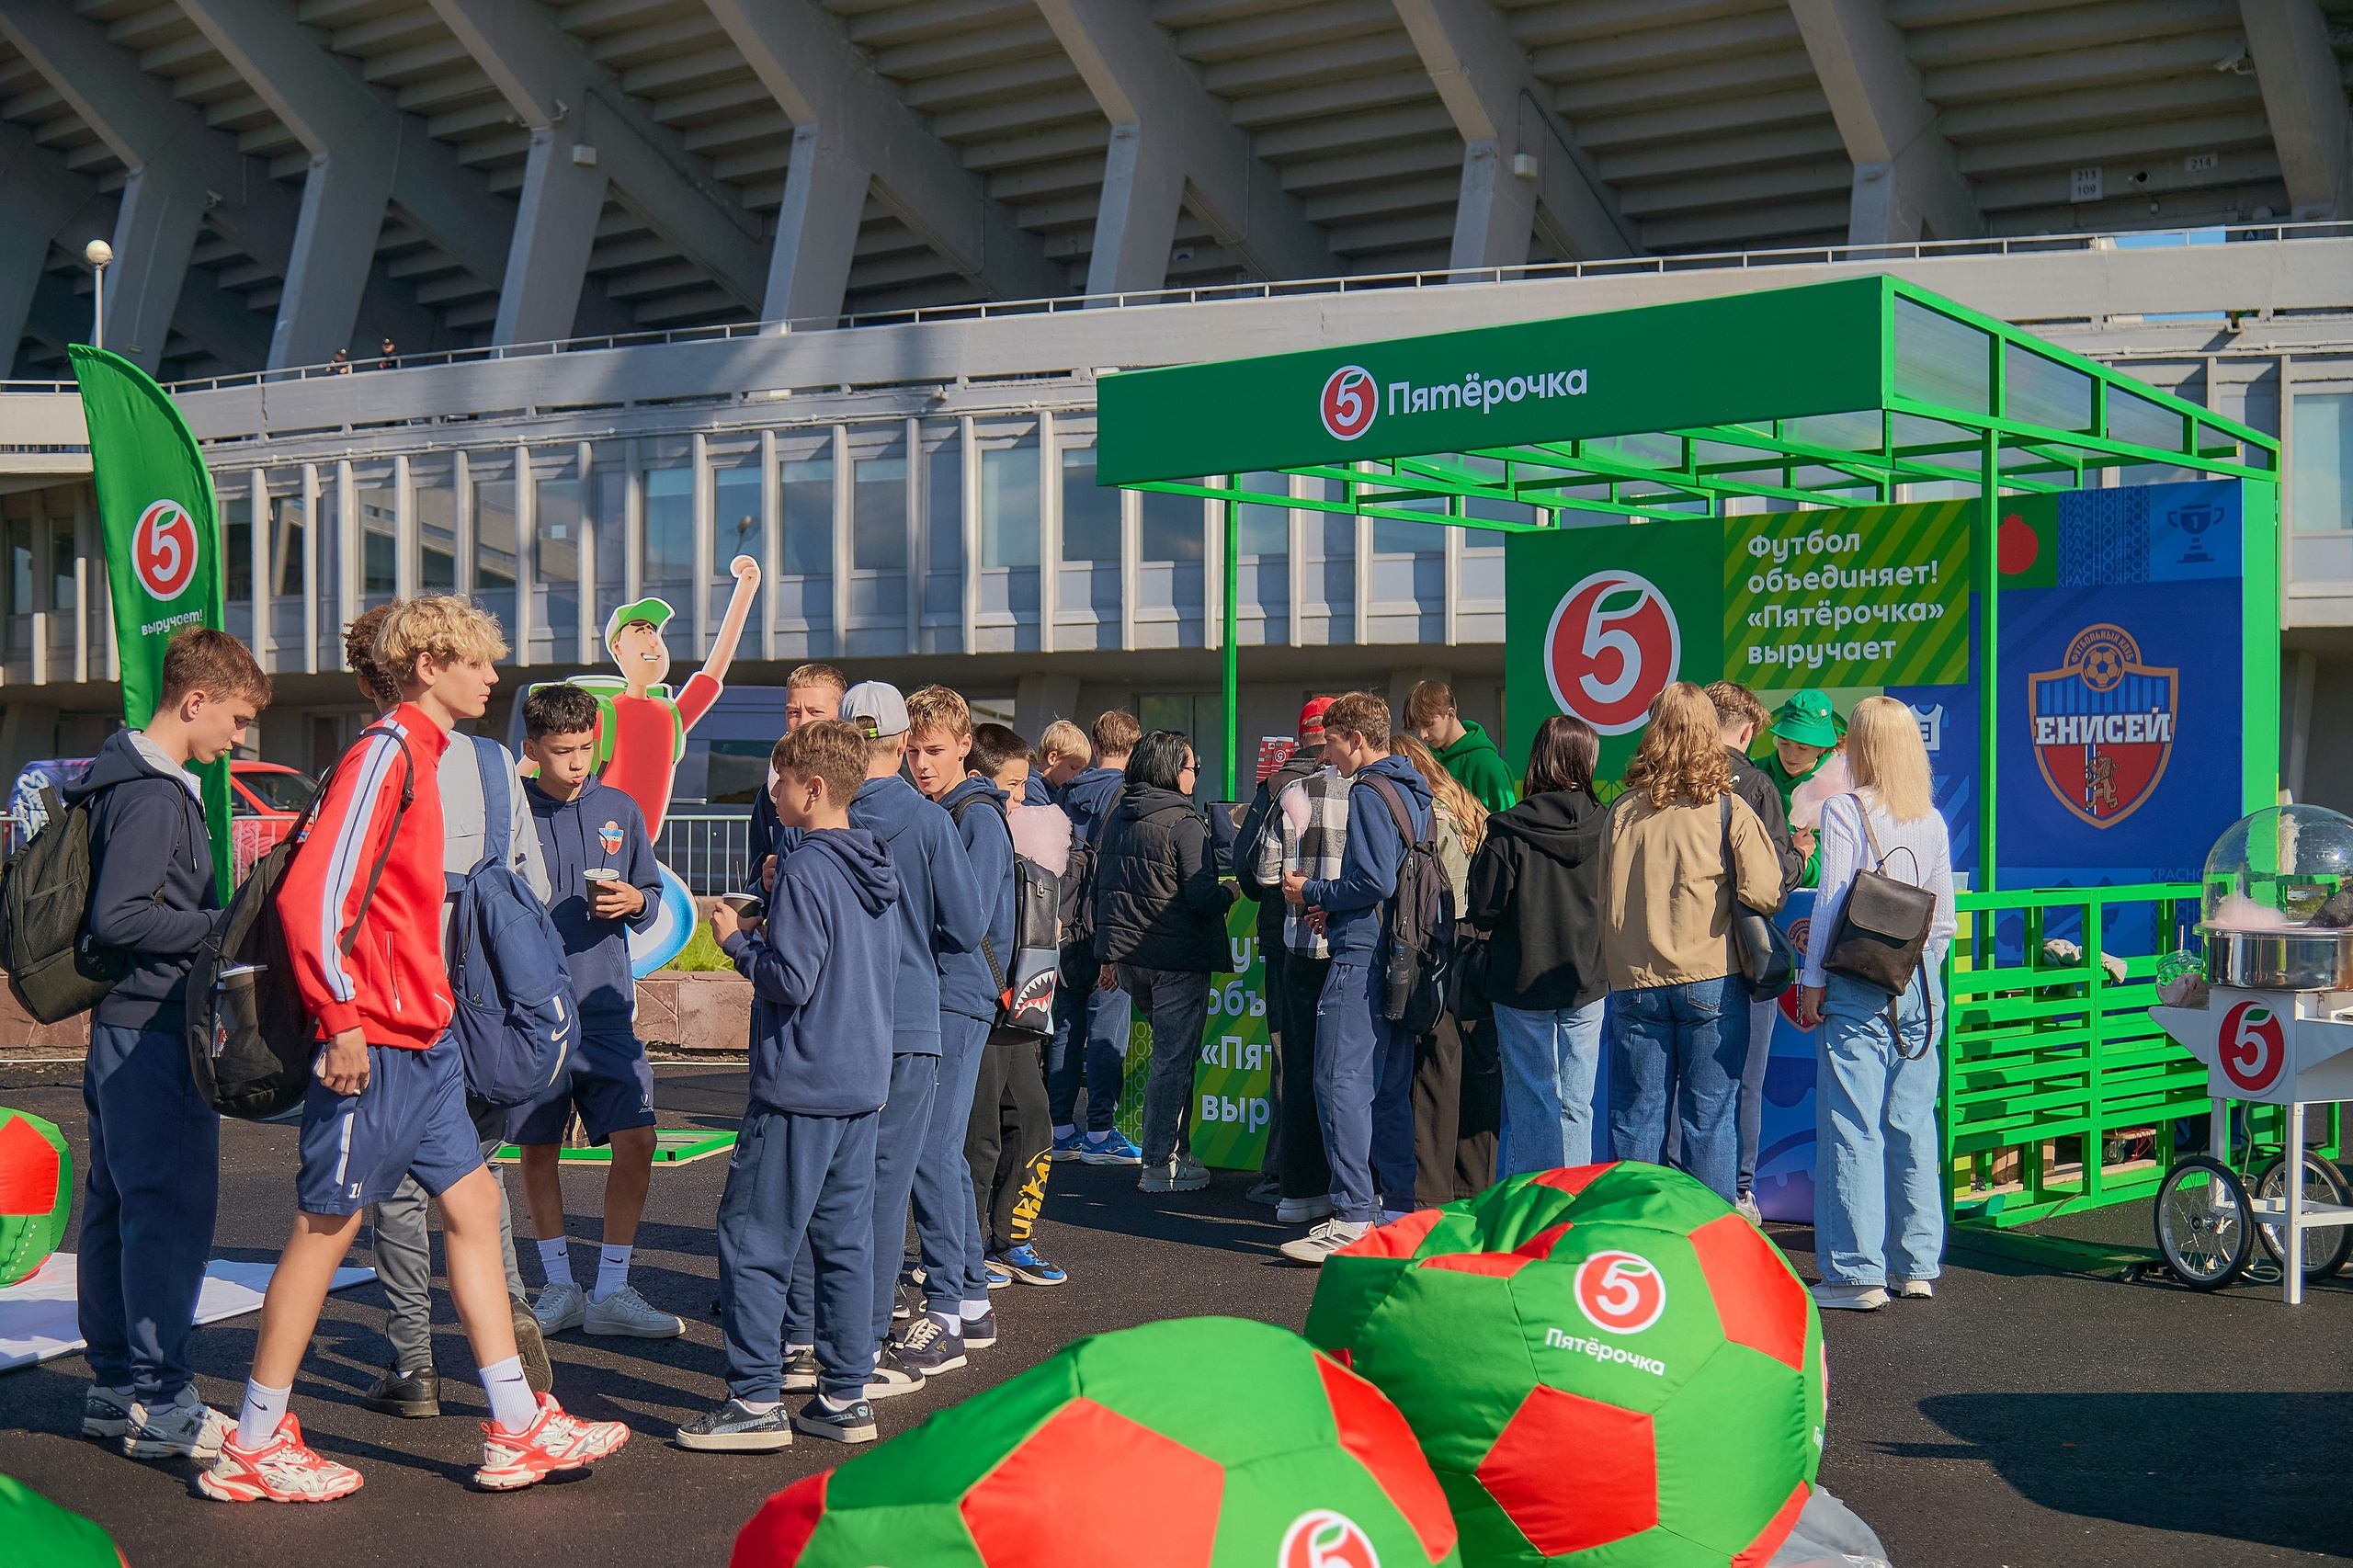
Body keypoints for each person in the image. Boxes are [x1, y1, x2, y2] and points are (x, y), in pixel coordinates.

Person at [204, 597, 628, 1502]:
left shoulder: (423, 754)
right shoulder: (385, 753)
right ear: (430, 665)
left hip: (422, 1038)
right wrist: (343, 1017)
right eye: (478, 662)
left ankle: (516, 1423)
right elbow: (309, 894)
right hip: (379, 1042)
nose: (493, 678)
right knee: (327, 1228)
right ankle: (254, 1436)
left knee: (475, 1209)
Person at [339, 604, 552, 1421]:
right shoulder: (498, 764)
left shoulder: (373, 760)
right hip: (490, 1000)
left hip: (402, 997)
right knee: (475, 1176)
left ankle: (416, 1364)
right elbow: (529, 893)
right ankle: (512, 1317)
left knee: (392, 1188)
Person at [74, 628, 269, 1462]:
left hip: (122, 1025)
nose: (239, 736)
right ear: (193, 701)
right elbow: (120, 917)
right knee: (169, 1212)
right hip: (153, 1029)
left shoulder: (119, 778)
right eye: (234, 717)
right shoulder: (156, 795)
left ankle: (118, 1390)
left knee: (118, 1208)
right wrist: (225, 928)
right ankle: (163, 1401)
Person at [683, 720, 900, 1448]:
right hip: (861, 1078)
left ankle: (751, 1404)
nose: (770, 790)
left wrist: (738, 940)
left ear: (812, 789)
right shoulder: (869, 859)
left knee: (753, 1239)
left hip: (801, 1081)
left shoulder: (807, 865)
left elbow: (791, 978)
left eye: (779, 779)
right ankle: (844, 1397)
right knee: (843, 1242)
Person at [779, 681, 984, 1398]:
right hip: (908, 1021)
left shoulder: (813, 816)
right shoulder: (929, 825)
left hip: (829, 1024)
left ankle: (802, 1338)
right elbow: (964, 928)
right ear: (903, 743)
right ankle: (859, 1350)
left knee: (821, 1192)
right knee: (882, 1195)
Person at [514, 683, 682, 1340]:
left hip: (606, 1009)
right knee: (537, 1148)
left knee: (638, 1138)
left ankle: (611, 1289)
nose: (578, 762)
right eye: (562, 751)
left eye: (586, 748)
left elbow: (649, 890)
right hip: (532, 1013)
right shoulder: (512, 814)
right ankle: (558, 1285)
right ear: (532, 750)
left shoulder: (621, 807)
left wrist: (634, 905)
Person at [1795, 696, 1955, 1312]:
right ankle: (1916, 1264)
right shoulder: (1933, 819)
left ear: (1861, 746)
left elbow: (1832, 900)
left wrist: (1813, 981)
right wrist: (1922, 976)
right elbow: (1942, 921)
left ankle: (1853, 1274)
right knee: (1912, 1123)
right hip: (1921, 983)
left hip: (1859, 981)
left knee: (1851, 1125)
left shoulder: (1844, 810)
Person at [1600, 683, 1785, 1205]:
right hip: (1711, 978)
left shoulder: (1624, 812)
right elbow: (1765, 891)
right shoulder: (1728, 809)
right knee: (1709, 1122)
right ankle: (1707, 1249)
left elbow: (1605, 899)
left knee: (1635, 1122)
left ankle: (1633, 1244)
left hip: (1635, 983)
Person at [1279, 692, 1431, 1263]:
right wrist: (1338, 904)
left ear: (1356, 740)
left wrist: (1311, 892)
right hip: (1401, 951)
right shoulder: (1414, 789)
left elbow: (1373, 881)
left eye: (1334, 742)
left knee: (1338, 1079)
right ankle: (1395, 1208)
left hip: (1362, 955)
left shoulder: (1366, 790)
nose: (1329, 754)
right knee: (1388, 1087)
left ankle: (1352, 1215)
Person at [901, 687, 1007, 1357]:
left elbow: (965, 922)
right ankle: (967, 1295)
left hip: (957, 993)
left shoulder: (975, 816)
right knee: (939, 1150)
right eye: (912, 750)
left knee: (933, 1151)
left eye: (933, 749)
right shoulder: (958, 811)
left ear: (966, 744)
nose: (920, 763)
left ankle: (952, 1302)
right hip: (954, 992)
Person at [1093, 730, 1234, 1194]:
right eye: (1192, 766)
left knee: (1172, 1057)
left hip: (1135, 961)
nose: (1196, 774)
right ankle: (1160, 1162)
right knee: (1174, 1060)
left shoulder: (1118, 815)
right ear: (1172, 770)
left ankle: (1176, 1152)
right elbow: (1201, 895)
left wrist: (1108, 956)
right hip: (1179, 958)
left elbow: (1105, 891)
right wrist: (1229, 894)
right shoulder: (1185, 822)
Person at [1468, 715, 1608, 1176]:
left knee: (1533, 1102)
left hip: (1519, 979)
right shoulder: (1607, 825)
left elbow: (1484, 909)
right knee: (1577, 1102)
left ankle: (1537, 1210)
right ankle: (1570, 1208)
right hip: (1588, 979)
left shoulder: (1508, 829)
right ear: (1585, 761)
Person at [964, 724, 1068, 1286]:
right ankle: (967, 1249)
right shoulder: (968, 823)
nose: (1022, 799)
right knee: (978, 1136)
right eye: (1014, 787)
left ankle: (1012, 1238)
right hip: (980, 1004)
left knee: (1032, 1120)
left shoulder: (1008, 828)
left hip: (1017, 1002)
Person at [1707, 680, 1808, 1224]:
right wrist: (1801, 853)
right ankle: (1739, 1192)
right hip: (1743, 957)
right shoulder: (1756, 784)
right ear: (1747, 731)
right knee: (1743, 1079)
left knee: (1681, 1085)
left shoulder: (1667, 778)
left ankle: (1679, 1193)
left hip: (1674, 959)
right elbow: (1771, 880)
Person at [568, 562, 761, 838]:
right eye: (640, 631)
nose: (651, 640)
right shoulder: (607, 712)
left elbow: (713, 672)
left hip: (643, 846)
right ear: (617, 647)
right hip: (600, 842)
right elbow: (546, 754)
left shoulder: (669, 715)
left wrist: (744, 590)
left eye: (653, 632)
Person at [1231, 698, 1335, 1210]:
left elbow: (1248, 870)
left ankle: (1284, 1172)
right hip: (1346, 935)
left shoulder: (1275, 786)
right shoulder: (1355, 782)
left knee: (1287, 1055)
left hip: (1284, 938)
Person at [1391, 733, 1498, 1205]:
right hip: (1479, 944)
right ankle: (1473, 1190)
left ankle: (1428, 1196)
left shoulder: (1421, 813)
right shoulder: (1467, 806)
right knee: (1474, 1069)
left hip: (1440, 942)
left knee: (1433, 1069)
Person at [1251, 701, 1347, 1223]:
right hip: (1352, 948)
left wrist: (1302, 882)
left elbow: (1265, 874)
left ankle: (1299, 1190)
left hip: (1300, 950)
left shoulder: (1292, 791)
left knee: (1301, 1070)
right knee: (1351, 1076)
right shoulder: (1369, 793)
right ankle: (1351, 1192)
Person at [1047, 710, 1142, 1167]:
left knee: (1065, 1026)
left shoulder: (1063, 793)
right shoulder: (1127, 797)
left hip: (1063, 926)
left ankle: (1060, 1127)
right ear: (1134, 745)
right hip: (1106, 928)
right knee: (1107, 1030)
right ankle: (1100, 1132)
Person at [745, 663, 850, 895]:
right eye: (794, 712)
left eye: (815, 712)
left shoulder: (857, 787)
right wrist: (764, 884)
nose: (802, 722)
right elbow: (753, 883)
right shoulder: (772, 792)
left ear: (840, 717)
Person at [1761, 688, 1841, 888]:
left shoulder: (1841, 787)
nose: (1791, 755)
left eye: (1802, 748)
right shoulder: (1755, 775)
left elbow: (1838, 867)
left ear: (1822, 748)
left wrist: (1800, 866)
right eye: (1784, 743)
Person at [1404, 680, 1517, 814]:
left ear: (1450, 714)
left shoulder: (1486, 762)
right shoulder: (1427, 762)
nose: (1422, 735)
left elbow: (1509, 823)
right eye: (1418, 727)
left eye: (1428, 724)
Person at [1029, 718, 1090, 807]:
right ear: (1052, 758)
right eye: (1073, 767)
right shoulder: (1032, 788)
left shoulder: (1059, 792)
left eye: (1079, 770)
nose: (1076, 775)